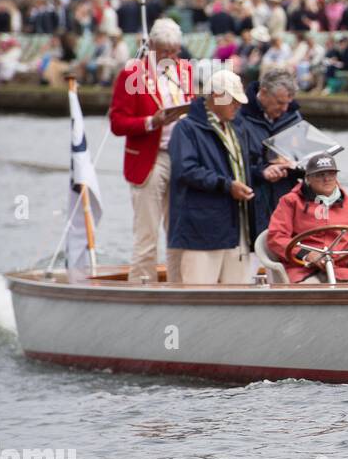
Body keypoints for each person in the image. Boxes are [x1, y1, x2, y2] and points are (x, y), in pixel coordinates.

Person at [109, 17, 195, 283]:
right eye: (164, 51)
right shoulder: (131, 74)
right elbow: (117, 123)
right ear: (151, 47)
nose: (170, 57)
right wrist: (151, 121)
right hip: (150, 158)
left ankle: (177, 285)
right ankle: (141, 287)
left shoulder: (185, 71)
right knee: (147, 234)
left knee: (179, 232)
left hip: (181, 158)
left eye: (174, 51)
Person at [167, 70, 256, 285]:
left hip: (238, 228)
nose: (238, 106)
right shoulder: (186, 127)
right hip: (201, 232)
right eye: (233, 100)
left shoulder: (237, 127)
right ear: (216, 95)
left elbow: (250, 163)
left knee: (239, 297)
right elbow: (185, 170)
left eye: (239, 101)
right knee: (198, 294)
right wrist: (227, 186)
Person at [265, 153, 348, 284]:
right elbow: (276, 237)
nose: (326, 179)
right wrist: (306, 254)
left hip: (341, 268)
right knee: (310, 289)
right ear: (308, 178)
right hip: (300, 268)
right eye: (320, 175)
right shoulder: (290, 202)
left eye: (331, 174)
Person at [236, 66, 303, 244]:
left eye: (288, 102)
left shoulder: (294, 117)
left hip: (284, 196)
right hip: (251, 200)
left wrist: (299, 166)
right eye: (280, 102)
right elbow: (232, 164)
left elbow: (303, 155)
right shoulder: (238, 115)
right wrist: (262, 172)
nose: (284, 108)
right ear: (263, 92)